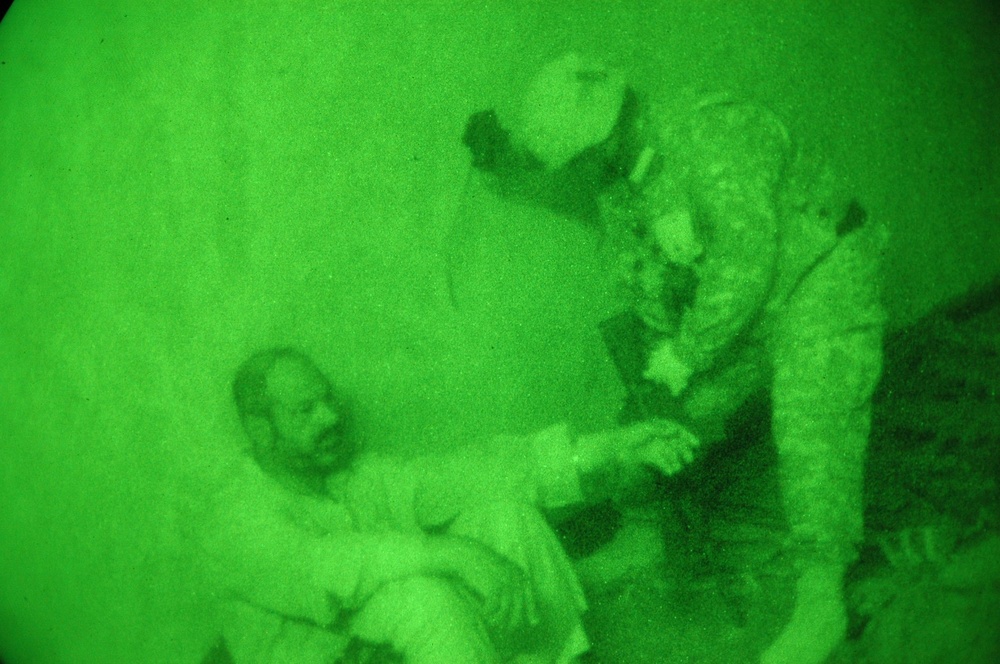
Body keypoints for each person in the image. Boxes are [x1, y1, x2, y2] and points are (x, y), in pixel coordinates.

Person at [466, 54, 887, 664]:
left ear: (603, 136)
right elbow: (639, 274)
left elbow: (745, 266)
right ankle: (644, 532)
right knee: (656, 421)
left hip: (820, 276)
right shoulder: (623, 181)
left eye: (581, 156)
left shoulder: (712, 132)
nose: (580, 172)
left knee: (810, 423)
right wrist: (659, 363)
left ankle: (823, 593)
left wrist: (684, 354)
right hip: (743, 315)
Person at [201, 347, 699, 664]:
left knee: (503, 513)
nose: (331, 417)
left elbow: (474, 472)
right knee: (424, 600)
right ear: (260, 430)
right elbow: (328, 568)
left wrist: (608, 448)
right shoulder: (233, 510)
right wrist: (460, 555)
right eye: (304, 411)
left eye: (326, 399)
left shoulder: (350, 475)